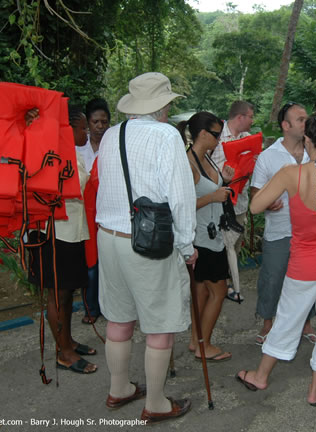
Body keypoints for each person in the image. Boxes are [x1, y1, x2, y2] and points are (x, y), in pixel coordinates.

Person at [236, 101, 316, 406]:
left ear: (307, 140)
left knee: (286, 321)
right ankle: (314, 389)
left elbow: (255, 206)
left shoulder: (288, 174)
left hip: (302, 266)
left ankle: (260, 375)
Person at [96, 72, 196, 423]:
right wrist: (186, 245)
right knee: (159, 324)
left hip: (109, 237)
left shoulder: (111, 135)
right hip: (147, 242)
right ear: (162, 105)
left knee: (119, 318)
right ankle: (156, 403)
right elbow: (180, 197)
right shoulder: (166, 136)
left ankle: (119, 388)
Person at [27, 105, 97, 374]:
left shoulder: (70, 153)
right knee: (57, 294)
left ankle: (66, 340)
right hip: (53, 234)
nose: (86, 131)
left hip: (71, 232)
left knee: (67, 294)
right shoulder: (49, 152)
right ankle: (63, 353)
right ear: (67, 129)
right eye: (82, 127)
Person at [250, 102, 316, 346]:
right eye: (300, 120)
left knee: (308, 280)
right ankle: (268, 324)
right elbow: (255, 194)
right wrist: (267, 203)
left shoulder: (315, 152)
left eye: (306, 119)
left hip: (310, 232)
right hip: (279, 231)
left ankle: (307, 323)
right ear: (285, 126)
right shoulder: (269, 156)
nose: (306, 123)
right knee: (272, 278)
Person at [179, 112, 235, 362]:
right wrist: (213, 197)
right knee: (219, 290)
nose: (219, 139)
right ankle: (205, 344)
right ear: (203, 134)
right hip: (200, 238)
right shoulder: (187, 164)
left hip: (212, 235)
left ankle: (196, 340)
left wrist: (226, 179)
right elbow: (180, 206)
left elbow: (213, 187)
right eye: (216, 134)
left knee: (201, 290)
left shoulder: (207, 159)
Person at [210, 101, 255, 302]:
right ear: (240, 117)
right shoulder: (216, 136)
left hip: (241, 202)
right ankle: (218, 284)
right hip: (218, 202)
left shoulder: (248, 140)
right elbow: (203, 167)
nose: (252, 121)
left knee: (234, 244)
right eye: (250, 116)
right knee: (218, 244)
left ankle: (229, 282)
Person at [80, 98, 111, 325]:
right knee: (90, 264)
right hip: (83, 212)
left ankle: (112, 307)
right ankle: (91, 307)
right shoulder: (77, 147)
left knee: (110, 261)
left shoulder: (114, 145)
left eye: (104, 122)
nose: (100, 126)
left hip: (109, 210)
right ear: (87, 123)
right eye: (95, 122)